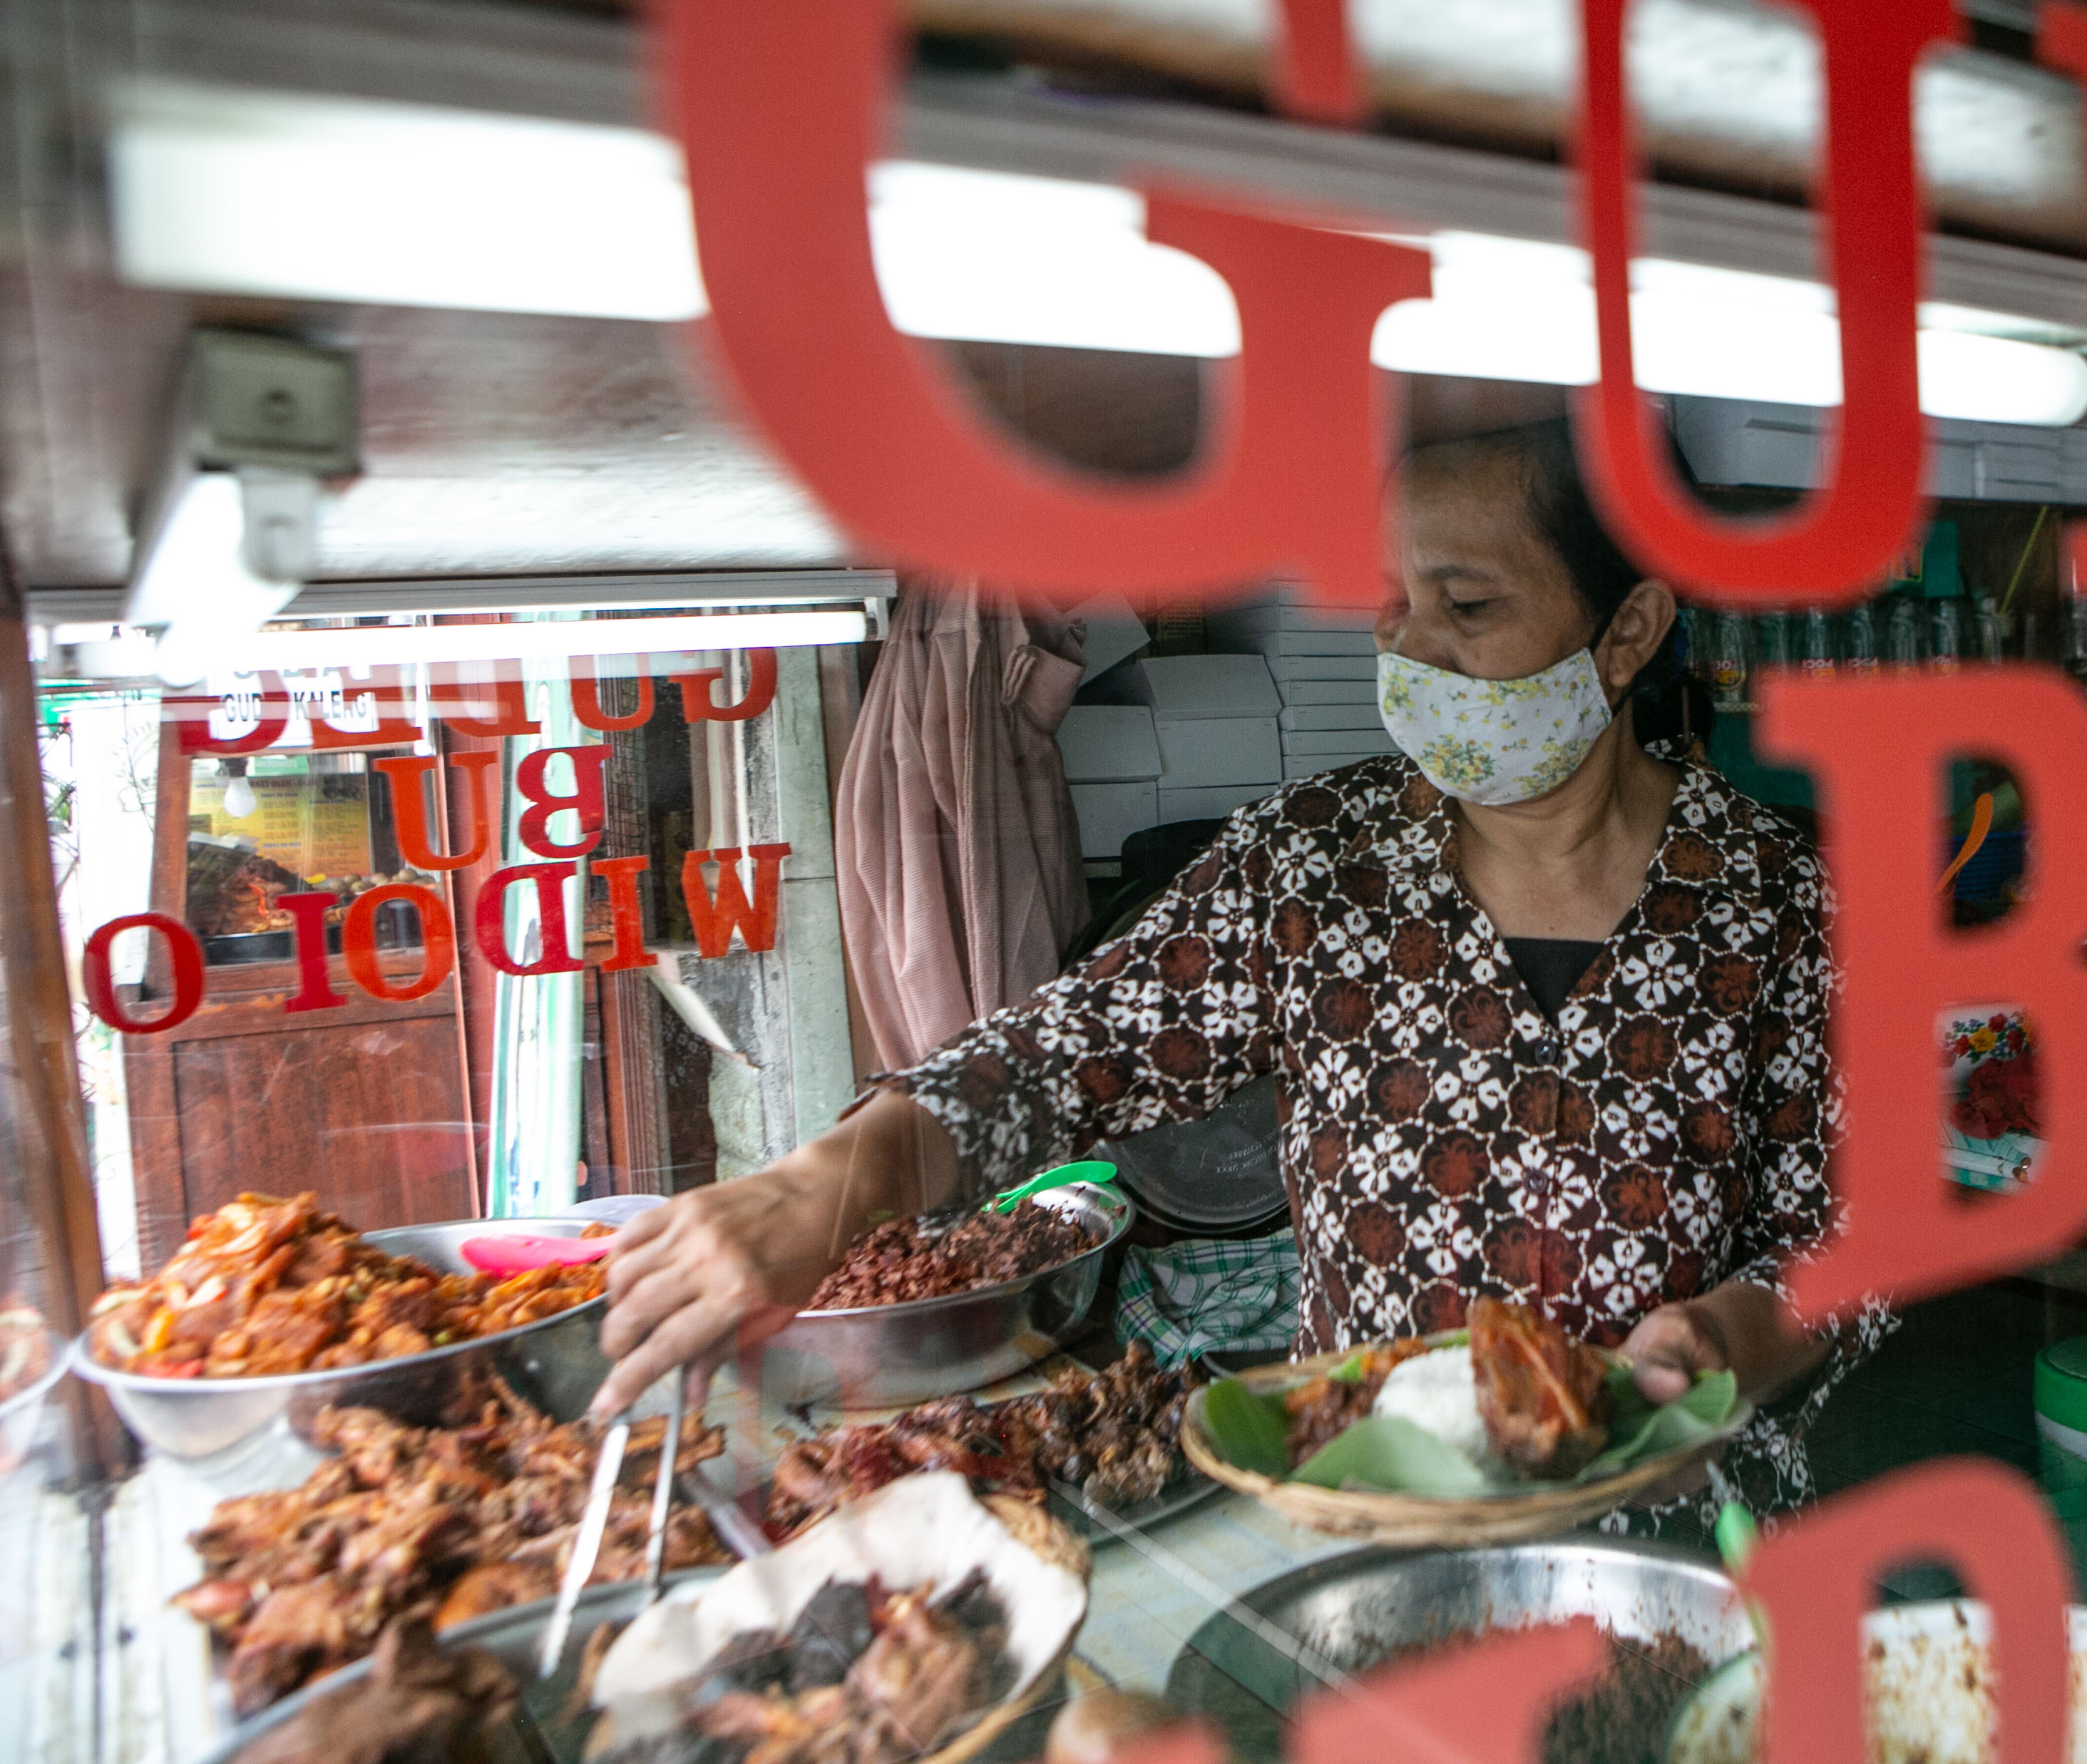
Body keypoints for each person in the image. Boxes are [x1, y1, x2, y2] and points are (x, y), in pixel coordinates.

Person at [593, 418, 1886, 1517]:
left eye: (1469, 606)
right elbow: (1058, 1057)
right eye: (1391, 606)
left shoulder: (1781, 904)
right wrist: (827, 1187)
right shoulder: (1314, 868)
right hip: (1376, 1521)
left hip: (1680, 1532)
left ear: (1627, 630)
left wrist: (1728, 1338)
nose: (1415, 653)